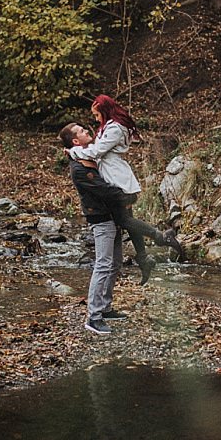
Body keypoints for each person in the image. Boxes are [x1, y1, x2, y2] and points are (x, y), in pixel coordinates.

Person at [66, 95, 184, 261]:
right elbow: (96, 149)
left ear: (105, 111)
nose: (96, 119)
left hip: (116, 176)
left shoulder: (115, 128)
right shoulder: (109, 126)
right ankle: (143, 258)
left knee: (124, 219)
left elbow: (96, 151)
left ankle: (161, 237)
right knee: (127, 219)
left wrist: (72, 151)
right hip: (112, 174)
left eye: (97, 115)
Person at [59, 123, 135, 334]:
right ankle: (93, 317)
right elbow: (104, 190)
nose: (87, 131)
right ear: (75, 141)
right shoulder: (79, 168)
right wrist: (129, 195)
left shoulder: (88, 156)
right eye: (82, 131)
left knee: (115, 263)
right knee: (103, 264)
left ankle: (106, 308)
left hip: (113, 216)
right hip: (100, 219)